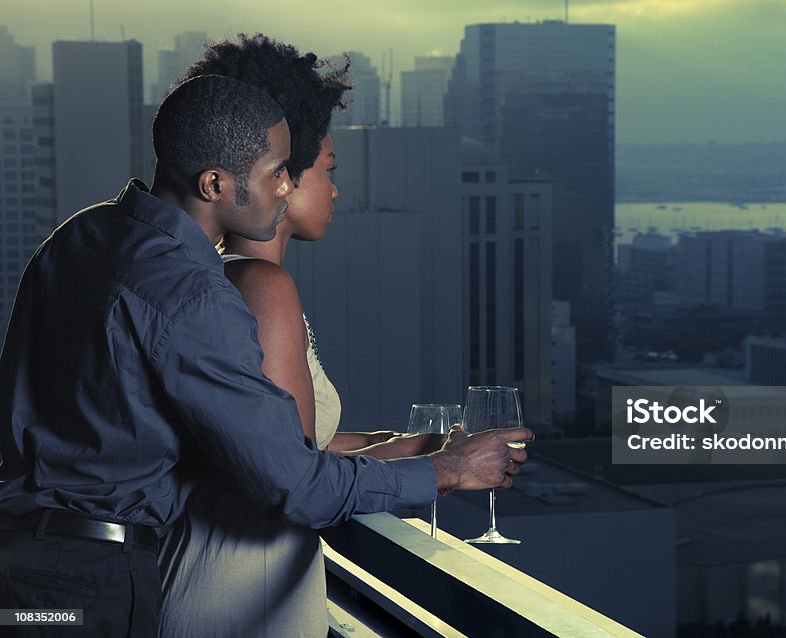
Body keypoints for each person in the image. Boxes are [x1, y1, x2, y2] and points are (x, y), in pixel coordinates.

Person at [0, 74, 531, 637]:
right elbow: (293, 485)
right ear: (214, 184)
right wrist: (447, 469)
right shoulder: (194, 296)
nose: (286, 188)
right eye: (276, 172)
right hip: (87, 588)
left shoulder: (77, 236)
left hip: (22, 568)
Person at [158, 36, 447, 637]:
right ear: (282, 178)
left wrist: (416, 443)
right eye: (329, 171)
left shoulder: (221, 275)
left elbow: (280, 447)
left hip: (232, 580)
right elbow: (293, 479)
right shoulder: (262, 288)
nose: (336, 190)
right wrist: (450, 469)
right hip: (237, 592)